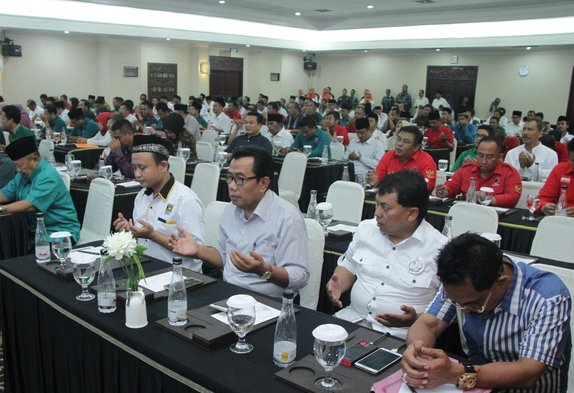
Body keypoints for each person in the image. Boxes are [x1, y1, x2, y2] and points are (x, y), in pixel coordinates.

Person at [402, 233, 570, 393]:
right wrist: (416, 351)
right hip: (473, 389)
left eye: (473, 304)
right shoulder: (459, 282)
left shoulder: (547, 296)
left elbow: (528, 372)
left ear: (501, 282)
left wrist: (457, 373)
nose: (465, 310)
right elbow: (429, 324)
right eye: (457, 303)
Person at [169, 146, 309, 298]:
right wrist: (198, 250)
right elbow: (224, 258)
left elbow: (300, 276)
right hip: (229, 294)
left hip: (268, 303)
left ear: (263, 183)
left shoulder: (287, 218)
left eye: (240, 179)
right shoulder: (230, 210)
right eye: (229, 177)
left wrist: (264, 270)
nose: (231, 185)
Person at [326, 169, 446, 338]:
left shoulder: (439, 249)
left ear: (412, 213)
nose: (377, 213)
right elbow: (348, 267)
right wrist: (338, 284)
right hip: (352, 319)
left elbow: (445, 312)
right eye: (377, 204)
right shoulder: (366, 229)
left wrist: (414, 319)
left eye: (386, 208)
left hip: (401, 335)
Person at [0, 136, 80, 242]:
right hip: (32, 231)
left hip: (58, 233)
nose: (18, 169)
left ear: (35, 160)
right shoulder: (23, 174)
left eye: (19, 165)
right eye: (16, 165)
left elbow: (29, 205)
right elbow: (3, 194)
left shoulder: (47, 176)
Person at [112, 135, 205, 272]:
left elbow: (197, 250)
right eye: (134, 167)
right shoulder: (141, 196)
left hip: (179, 274)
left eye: (142, 168)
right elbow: (143, 240)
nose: (136, 174)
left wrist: (152, 235)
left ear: (163, 166)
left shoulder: (185, 200)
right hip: (147, 269)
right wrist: (131, 231)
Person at [436, 135, 521, 207]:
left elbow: (513, 197)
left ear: (500, 157)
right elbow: (451, 187)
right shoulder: (467, 169)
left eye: (490, 157)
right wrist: (444, 191)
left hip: (496, 219)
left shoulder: (510, 173)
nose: (484, 161)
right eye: (480, 155)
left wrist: (487, 199)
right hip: (467, 214)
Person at [369, 125, 437, 193]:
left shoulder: (427, 161)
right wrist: (375, 182)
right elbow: (379, 180)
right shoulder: (388, 155)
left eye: (406, 141)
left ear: (416, 147)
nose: (399, 144)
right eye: (398, 139)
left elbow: (427, 187)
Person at [538, 138, 574, 216]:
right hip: (560, 221)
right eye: (572, 160)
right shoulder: (560, 169)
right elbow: (543, 198)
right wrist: (544, 206)